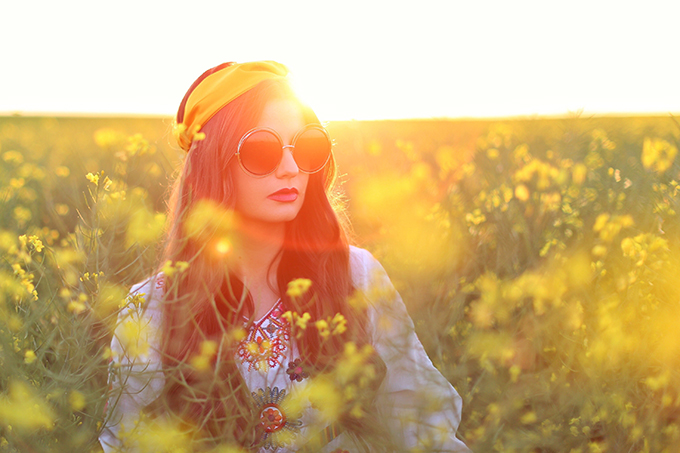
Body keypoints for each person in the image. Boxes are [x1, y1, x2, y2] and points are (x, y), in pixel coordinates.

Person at [99, 61, 470, 453]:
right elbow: (126, 443)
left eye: (308, 147)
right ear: (214, 164)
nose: (291, 169)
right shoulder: (153, 307)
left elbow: (422, 422)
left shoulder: (358, 276)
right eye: (263, 150)